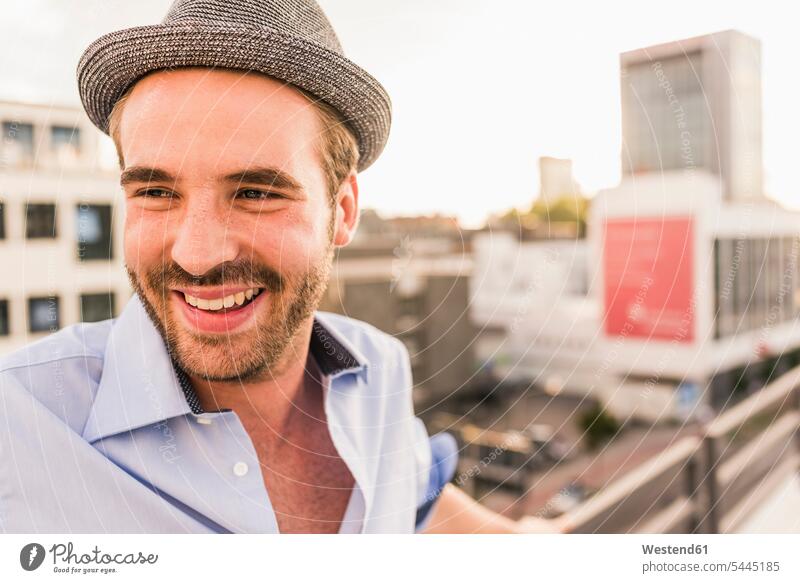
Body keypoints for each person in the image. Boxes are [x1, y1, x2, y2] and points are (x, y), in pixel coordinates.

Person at [0, 0, 559, 534]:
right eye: (155, 191)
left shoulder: (378, 371)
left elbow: (417, 501)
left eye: (256, 192)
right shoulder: (19, 427)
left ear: (342, 212)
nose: (197, 255)